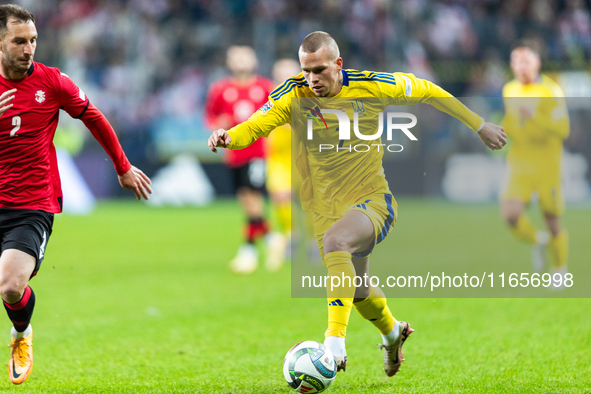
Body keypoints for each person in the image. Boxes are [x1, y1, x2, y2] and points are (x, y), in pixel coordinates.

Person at [208, 31, 506, 376]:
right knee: (359, 289)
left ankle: (334, 342)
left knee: (338, 243)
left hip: (372, 201)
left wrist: (479, 124)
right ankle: (394, 333)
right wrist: (230, 137)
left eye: (319, 70)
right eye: (306, 70)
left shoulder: (372, 85)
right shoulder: (293, 93)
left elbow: (429, 91)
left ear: (338, 64)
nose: (312, 79)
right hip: (325, 209)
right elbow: (257, 125)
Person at [0, 4, 151, 384]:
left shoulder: (52, 82)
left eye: (33, 40)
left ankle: (21, 334)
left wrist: (122, 166)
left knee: (11, 285)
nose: (29, 48)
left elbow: (93, 116)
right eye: (19, 41)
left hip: (31, 203)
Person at [501, 40, 570, 280]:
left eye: (526, 61)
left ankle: (559, 270)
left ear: (537, 63)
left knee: (552, 219)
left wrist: (535, 118)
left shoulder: (551, 90)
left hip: (546, 164)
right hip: (520, 161)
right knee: (510, 215)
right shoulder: (509, 89)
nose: (522, 67)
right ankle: (538, 241)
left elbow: (563, 129)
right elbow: (512, 121)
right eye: (516, 61)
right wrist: (499, 130)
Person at [204, 46, 275, 274]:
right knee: (246, 199)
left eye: (245, 57)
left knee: (253, 198)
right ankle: (273, 237)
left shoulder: (265, 87)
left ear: (253, 60)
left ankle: (249, 250)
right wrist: (218, 124)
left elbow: (278, 116)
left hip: (257, 153)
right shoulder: (221, 89)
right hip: (233, 154)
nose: (241, 61)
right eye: (236, 57)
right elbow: (210, 118)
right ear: (229, 62)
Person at [264, 58, 301, 271]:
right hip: (276, 157)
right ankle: (290, 234)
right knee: (280, 197)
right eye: (281, 74)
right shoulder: (268, 95)